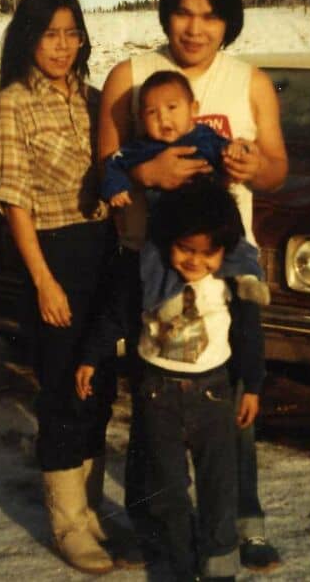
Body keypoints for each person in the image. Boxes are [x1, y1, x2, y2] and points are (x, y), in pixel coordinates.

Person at [98, 0, 288, 572]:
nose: (195, 28)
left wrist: (254, 166)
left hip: (220, 264)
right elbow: (106, 164)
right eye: (183, 13)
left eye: (210, 16)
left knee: (231, 400)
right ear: (166, 14)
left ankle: (242, 525)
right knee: (152, 403)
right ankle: (153, 525)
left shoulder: (250, 81)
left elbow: (277, 168)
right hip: (151, 260)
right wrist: (145, 173)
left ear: (228, 21)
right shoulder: (131, 75)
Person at [0, 0, 120, 575]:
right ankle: (68, 524)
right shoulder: (11, 106)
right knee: (64, 390)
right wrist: (43, 281)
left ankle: (93, 511)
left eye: (72, 34)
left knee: (100, 387)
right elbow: (15, 201)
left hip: (103, 253)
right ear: (27, 39)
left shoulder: (94, 100)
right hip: (53, 257)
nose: (62, 47)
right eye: (49, 35)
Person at [76, 179, 265, 581]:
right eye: (185, 249)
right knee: (167, 490)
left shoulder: (229, 280)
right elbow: (115, 315)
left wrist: (251, 385)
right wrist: (91, 357)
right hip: (157, 394)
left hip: (214, 395)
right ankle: (181, 565)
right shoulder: (148, 273)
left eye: (208, 253)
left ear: (224, 250)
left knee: (218, 489)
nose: (195, 261)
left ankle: (219, 569)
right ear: (167, 240)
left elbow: (249, 334)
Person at [101, 69, 250, 207]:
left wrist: (236, 150)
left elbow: (228, 152)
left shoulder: (205, 137)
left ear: (193, 109)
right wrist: (116, 187)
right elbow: (114, 162)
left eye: (172, 107)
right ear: (142, 118)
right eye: (152, 112)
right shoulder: (143, 147)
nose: (163, 118)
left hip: (214, 214)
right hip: (167, 220)